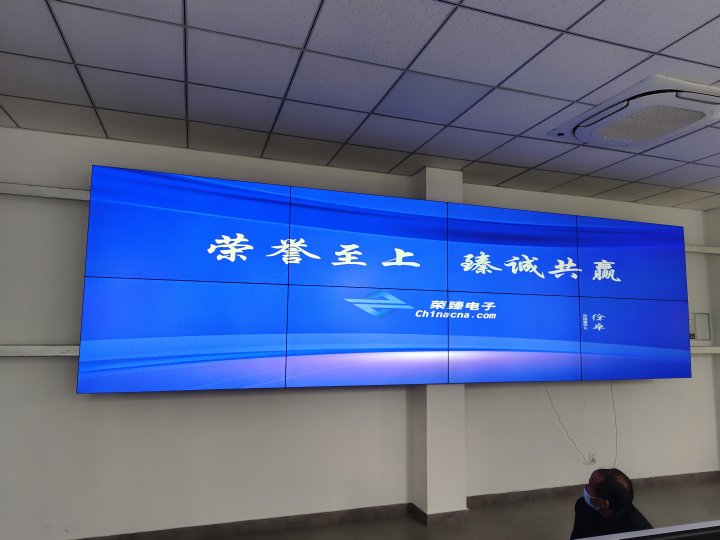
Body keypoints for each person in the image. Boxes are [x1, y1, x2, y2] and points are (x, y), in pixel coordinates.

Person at [570, 468, 652, 539]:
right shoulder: (582, 506)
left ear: (604, 503)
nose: (585, 487)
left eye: (589, 486)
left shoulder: (639, 530)